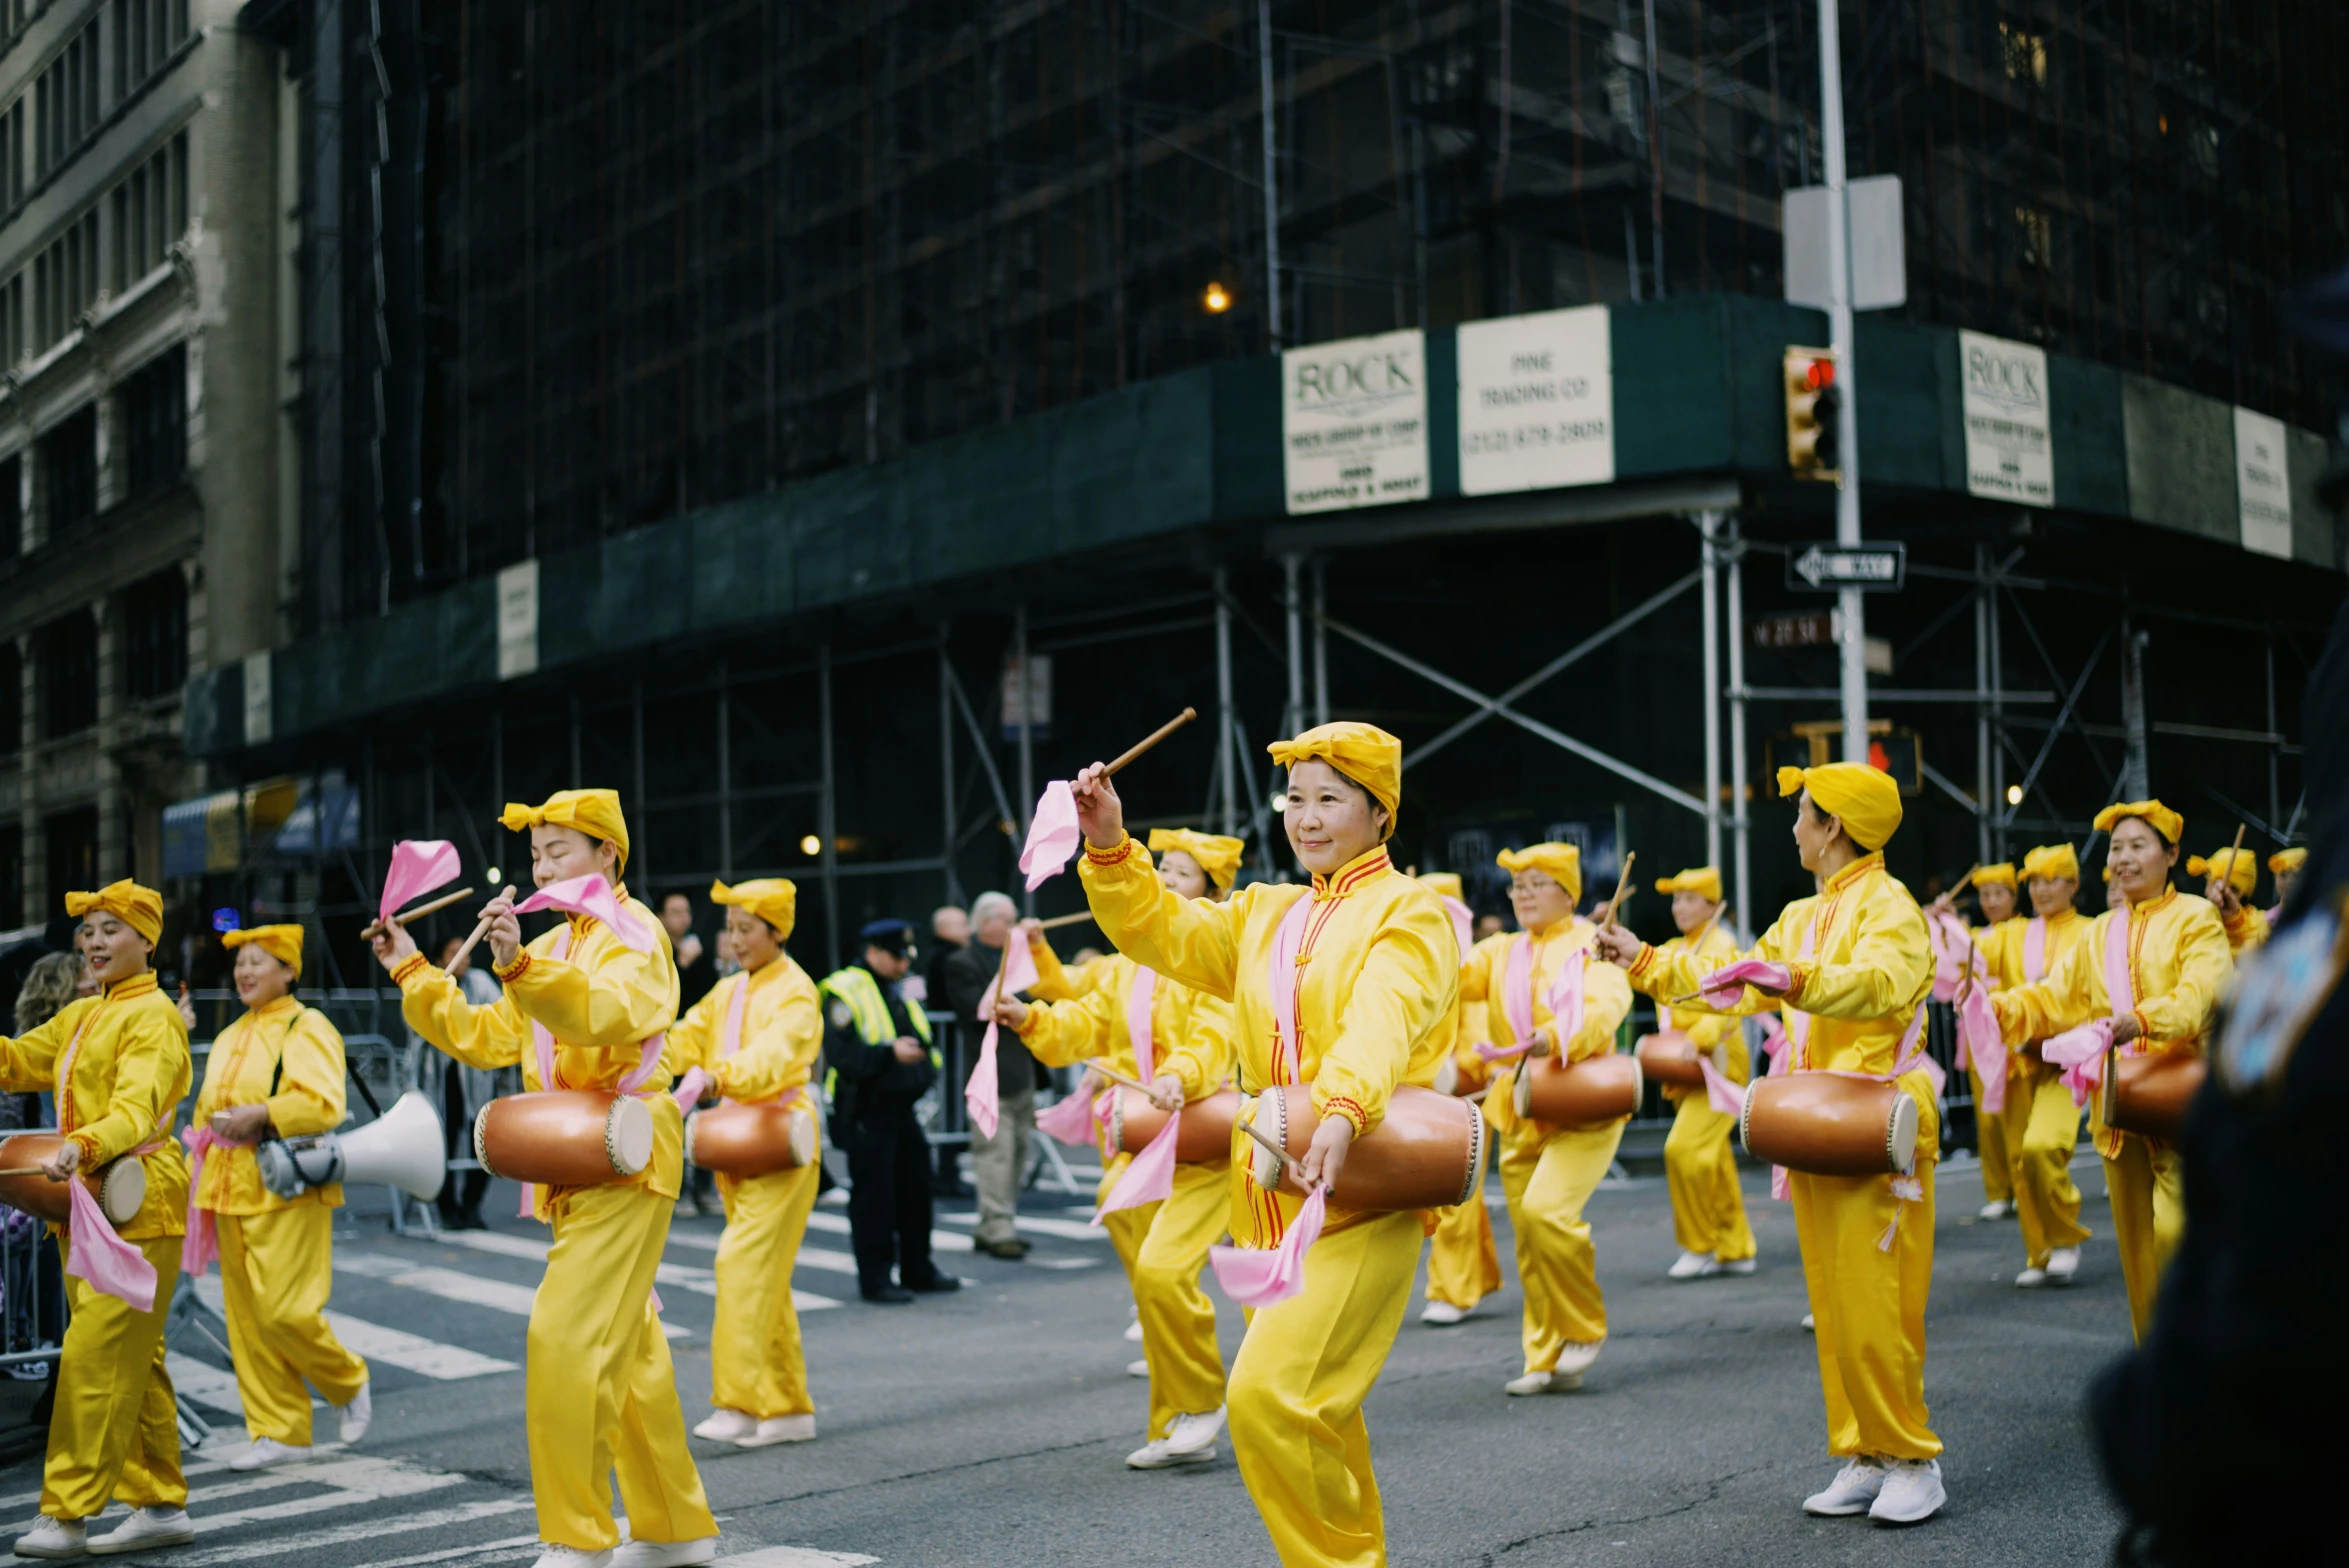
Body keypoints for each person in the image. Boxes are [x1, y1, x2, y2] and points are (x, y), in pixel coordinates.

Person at [1069, 721, 1457, 1568]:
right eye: (1295, 799)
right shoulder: (1263, 911)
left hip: (1358, 1187)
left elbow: (1381, 1020)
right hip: (1266, 1189)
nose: (1306, 818)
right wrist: (1109, 846)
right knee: (1320, 1410)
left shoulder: (1409, 911)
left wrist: (1345, 1109)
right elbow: (1162, 932)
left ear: (1379, 810)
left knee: (1269, 1398)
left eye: (1329, 799)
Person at [374, 788, 717, 1568]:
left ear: (608, 855)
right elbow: (493, 1035)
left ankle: (577, 1537)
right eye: (535, 854)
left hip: (624, 1148)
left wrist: (519, 963)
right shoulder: (558, 943)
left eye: (559, 849)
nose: (542, 865)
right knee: (625, 1347)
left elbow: (607, 1013)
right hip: (579, 1150)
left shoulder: (632, 933)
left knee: (564, 1334)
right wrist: (414, 970)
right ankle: (675, 1527)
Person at [1597, 762, 1945, 1525]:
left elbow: (1880, 984)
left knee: (1875, 1299)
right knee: (1830, 1294)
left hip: (1875, 1116)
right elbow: (1732, 978)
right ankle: (1862, 1452)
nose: (1790, 828)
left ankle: (1912, 1458)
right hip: (1817, 1118)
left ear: (1833, 828)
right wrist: (1643, 960)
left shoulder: (1891, 907)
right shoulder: (1798, 913)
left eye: (1801, 815)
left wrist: (1794, 978)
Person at [994, 828, 1242, 1471]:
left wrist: (1181, 1074)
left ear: (1215, 893)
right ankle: (1175, 1413)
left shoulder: (1215, 956)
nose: (1163, 879)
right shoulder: (1133, 959)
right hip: (1143, 1133)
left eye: (1181, 874)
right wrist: (1031, 1020)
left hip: (1202, 1141)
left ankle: (1199, 1400)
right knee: (1133, 1237)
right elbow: (1085, 1020)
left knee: (1162, 1273)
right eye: (1161, 868)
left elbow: (1217, 1034)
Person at [1987, 801, 2231, 1344]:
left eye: (2137, 846)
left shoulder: (2195, 917)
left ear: (2171, 854)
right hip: (2119, 1110)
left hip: (2181, 1104)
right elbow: (2055, 996)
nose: (2123, 858)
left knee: (2177, 1235)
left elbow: (2202, 996)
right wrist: (2000, 1008)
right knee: (2139, 1255)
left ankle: (2201, 1371)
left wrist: (2140, 1020)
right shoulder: (2099, 933)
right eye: (2116, 848)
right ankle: (2160, 1381)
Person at [3, 882, 197, 1559]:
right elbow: (19, 1061)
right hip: (91, 1194)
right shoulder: (86, 1014)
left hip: (134, 1194)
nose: (93, 942)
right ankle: (161, 1502)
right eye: (87, 931)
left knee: (93, 1358)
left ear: (148, 939)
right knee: (133, 1361)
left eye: (110, 929)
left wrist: (82, 1144)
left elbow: (137, 1108)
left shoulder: (154, 1017)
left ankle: (67, 1515)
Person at [179, 924, 372, 1471]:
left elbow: (323, 1103)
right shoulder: (231, 1032)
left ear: (289, 970)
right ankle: (278, 1430)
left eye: (257, 962)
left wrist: (263, 1114)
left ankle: (346, 1379)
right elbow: (204, 1113)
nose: (244, 972)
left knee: (285, 1310)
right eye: (240, 963)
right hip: (226, 1186)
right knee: (247, 1319)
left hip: (284, 1183)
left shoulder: (306, 1027)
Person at [1457, 843, 1633, 1395]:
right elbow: (1451, 979)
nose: (1523, 895)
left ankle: (1581, 1327)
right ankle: (1544, 1354)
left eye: (1536, 883)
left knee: (1545, 1213)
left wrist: (1554, 1036)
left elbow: (1606, 1005)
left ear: (1568, 892)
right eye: (1517, 886)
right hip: (1521, 1105)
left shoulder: (1590, 942)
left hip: (1581, 1104)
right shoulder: (1501, 950)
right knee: (1530, 1241)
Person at [665, 880, 829, 1448]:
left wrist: (718, 1075)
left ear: (776, 931)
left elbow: (776, 1055)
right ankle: (787, 1409)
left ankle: (738, 1401)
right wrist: (631, 1056)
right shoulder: (730, 990)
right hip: (737, 1139)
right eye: (730, 929)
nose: (734, 940)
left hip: (781, 1140)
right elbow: (685, 1036)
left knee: (740, 1265)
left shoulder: (797, 991)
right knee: (766, 1279)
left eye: (745, 929)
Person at [1974, 845, 2095, 1289]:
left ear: (2074, 885)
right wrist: (1941, 927)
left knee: (2044, 1146)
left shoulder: (2091, 931)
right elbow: (1967, 957)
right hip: (2022, 1060)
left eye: (2053, 880)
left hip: (2071, 1062)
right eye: (2036, 882)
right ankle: (2040, 1251)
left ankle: (2064, 1237)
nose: (2042, 890)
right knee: (2020, 1159)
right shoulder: (2012, 934)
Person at [821, 920, 957, 1304]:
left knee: (916, 1189)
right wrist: (889, 1054)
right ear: (873, 952)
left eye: (905, 957)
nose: (903, 965)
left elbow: (924, 1039)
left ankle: (918, 1268)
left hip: (900, 1108)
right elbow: (844, 1056)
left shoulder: (896, 989)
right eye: (897, 957)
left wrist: (923, 1067)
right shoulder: (843, 991)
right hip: (864, 1109)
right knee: (874, 1198)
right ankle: (876, 1278)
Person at [1649, 867, 1752, 1280]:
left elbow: (1731, 1004)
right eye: (1676, 899)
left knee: (1683, 1149)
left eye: (1690, 899)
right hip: (1686, 1064)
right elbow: (1650, 976)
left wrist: (1703, 1035)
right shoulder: (1675, 946)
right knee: (1714, 1158)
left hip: (1718, 1062)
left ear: (1712, 905)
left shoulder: (1722, 942)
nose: (1680, 907)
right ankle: (1735, 1246)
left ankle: (1699, 1244)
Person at [1414, 871, 1500, 1326]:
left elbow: (1479, 1046)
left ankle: (1454, 1289)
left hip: (1459, 1102)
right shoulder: (1413, 964)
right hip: (1419, 1101)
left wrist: (1455, 1071)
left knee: (1455, 1193)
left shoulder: (1468, 970)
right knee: (1459, 1193)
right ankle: (1474, 1276)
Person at [944, 892, 1042, 1258]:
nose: (1013, 927)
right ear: (985, 922)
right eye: (1007, 919)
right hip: (989, 1072)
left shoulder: (1014, 958)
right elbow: (981, 1008)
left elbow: (1039, 997)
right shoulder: (961, 961)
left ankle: (994, 1222)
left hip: (1021, 1070)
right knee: (994, 1154)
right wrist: (1015, 962)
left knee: (1018, 1153)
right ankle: (998, 1225)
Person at [414, 934, 506, 1231]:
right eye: (455, 952)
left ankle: (471, 1206)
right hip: (440, 1079)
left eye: (465, 951)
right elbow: (417, 1021)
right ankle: (447, 1209)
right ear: (440, 957)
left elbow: (500, 1012)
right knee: (443, 1144)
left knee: (483, 1142)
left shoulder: (479, 982)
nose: (463, 957)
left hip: (477, 1078)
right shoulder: (433, 981)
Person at [1953, 864, 2024, 1220]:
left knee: (2014, 1116)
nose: (1992, 901)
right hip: (1980, 1035)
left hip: (2010, 1032)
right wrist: (1945, 924)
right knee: (1986, 1118)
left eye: (2000, 894)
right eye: (1986, 895)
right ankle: (1998, 1190)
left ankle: (2022, 1184)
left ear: (2014, 897)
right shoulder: (1974, 935)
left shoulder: (2023, 932)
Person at [2187, 844, 2266, 956]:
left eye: (2213, 884)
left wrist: (2234, 922)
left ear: (2237, 893)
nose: (2206, 892)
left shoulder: (2263, 925)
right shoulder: (2196, 920)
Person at [663, 893, 716, 1012]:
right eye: (676, 913)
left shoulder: (699, 951)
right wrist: (682, 965)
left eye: (687, 912)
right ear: (661, 917)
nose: (684, 918)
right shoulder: (656, 951)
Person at [2266, 845, 2305, 922]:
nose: (2290, 881)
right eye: (2283, 875)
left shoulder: (2315, 918)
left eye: (2297, 876)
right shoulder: (2269, 919)